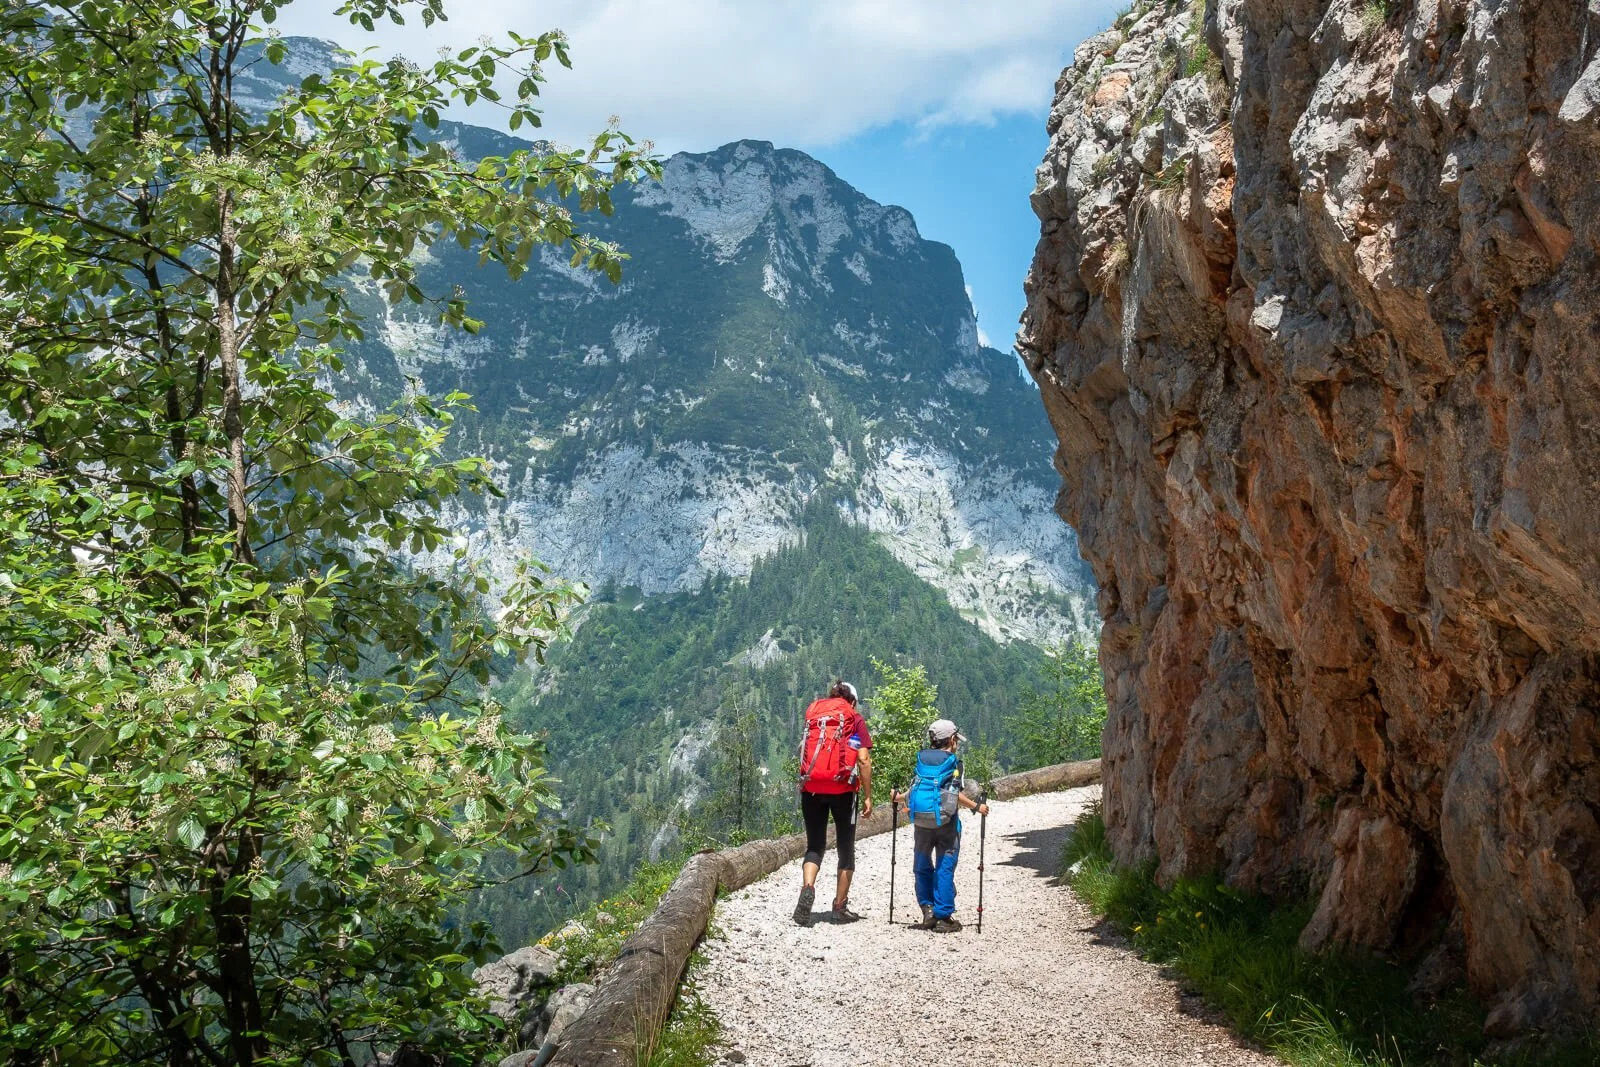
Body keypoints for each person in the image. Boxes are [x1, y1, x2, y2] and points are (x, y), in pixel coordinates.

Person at [891, 718, 988, 933]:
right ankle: (944, 917)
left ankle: (927, 908)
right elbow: (955, 794)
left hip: (922, 822)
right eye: (956, 740)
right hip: (946, 823)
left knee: (922, 864)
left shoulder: (922, 760)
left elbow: (916, 789)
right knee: (945, 865)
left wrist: (899, 798)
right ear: (952, 740)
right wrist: (976, 807)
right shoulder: (953, 763)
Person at [794, 680, 874, 926]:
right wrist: (869, 795)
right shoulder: (854, 718)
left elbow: (805, 750)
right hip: (843, 790)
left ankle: (808, 887)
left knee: (815, 846)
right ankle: (839, 907)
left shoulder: (816, 716)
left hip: (812, 789)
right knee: (845, 848)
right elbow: (863, 760)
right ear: (852, 701)